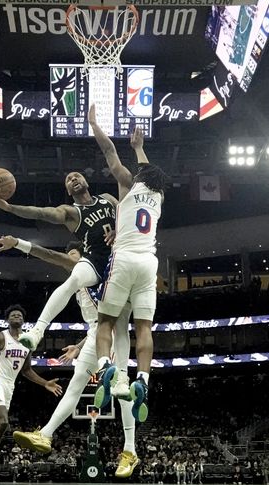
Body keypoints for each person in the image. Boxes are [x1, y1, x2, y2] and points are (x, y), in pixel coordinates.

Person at [0, 236, 140, 478]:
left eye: (74, 258)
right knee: (74, 386)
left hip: (112, 332)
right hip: (95, 334)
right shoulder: (77, 285)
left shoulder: (98, 271)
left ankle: (130, 450)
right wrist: (80, 346)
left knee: (121, 389)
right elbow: (95, 322)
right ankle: (46, 434)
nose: (69, 263)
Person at [88, 104, 167, 422]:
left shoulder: (128, 185)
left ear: (139, 177)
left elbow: (109, 153)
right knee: (144, 327)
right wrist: (140, 148)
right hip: (150, 264)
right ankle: (144, 380)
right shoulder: (159, 197)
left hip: (124, 259)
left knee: (104, 321)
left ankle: (106, 368)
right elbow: (149, 173)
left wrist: (95, 125)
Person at [0, 169, 118, 353]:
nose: (73, 178)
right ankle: (37, 331)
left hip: (119, 261)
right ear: (68, 191)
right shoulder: (70, 212)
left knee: (120, 324)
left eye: (76, 175)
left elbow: (129, 215)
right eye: (68, 179)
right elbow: (40, 213)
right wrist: (9, 207)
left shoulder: (107, 198)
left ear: (86, 180)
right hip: (97, 260)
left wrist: (119, 229)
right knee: (74, 279)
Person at [0, 305, 62, 485]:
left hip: (9, 386)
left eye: (19, 314)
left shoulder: (28, 342)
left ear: (23, 320)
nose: (17, 316)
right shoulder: (0, 338)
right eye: (13, 314)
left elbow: (26, 370)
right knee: (3, 423)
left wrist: (45, 383)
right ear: (8, 320)